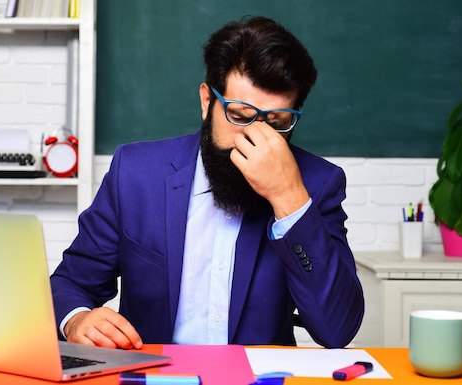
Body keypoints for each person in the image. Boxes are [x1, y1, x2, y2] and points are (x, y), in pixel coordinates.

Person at [50, 16, 364, 350]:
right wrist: (77, 318)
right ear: (206, 102)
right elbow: (70, 282)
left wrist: (288, 197)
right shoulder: (136, 174)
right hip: (156, 375)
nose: (254, 137)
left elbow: (338, 328)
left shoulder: (316, 183)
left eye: (277, 123)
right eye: (240, 116)